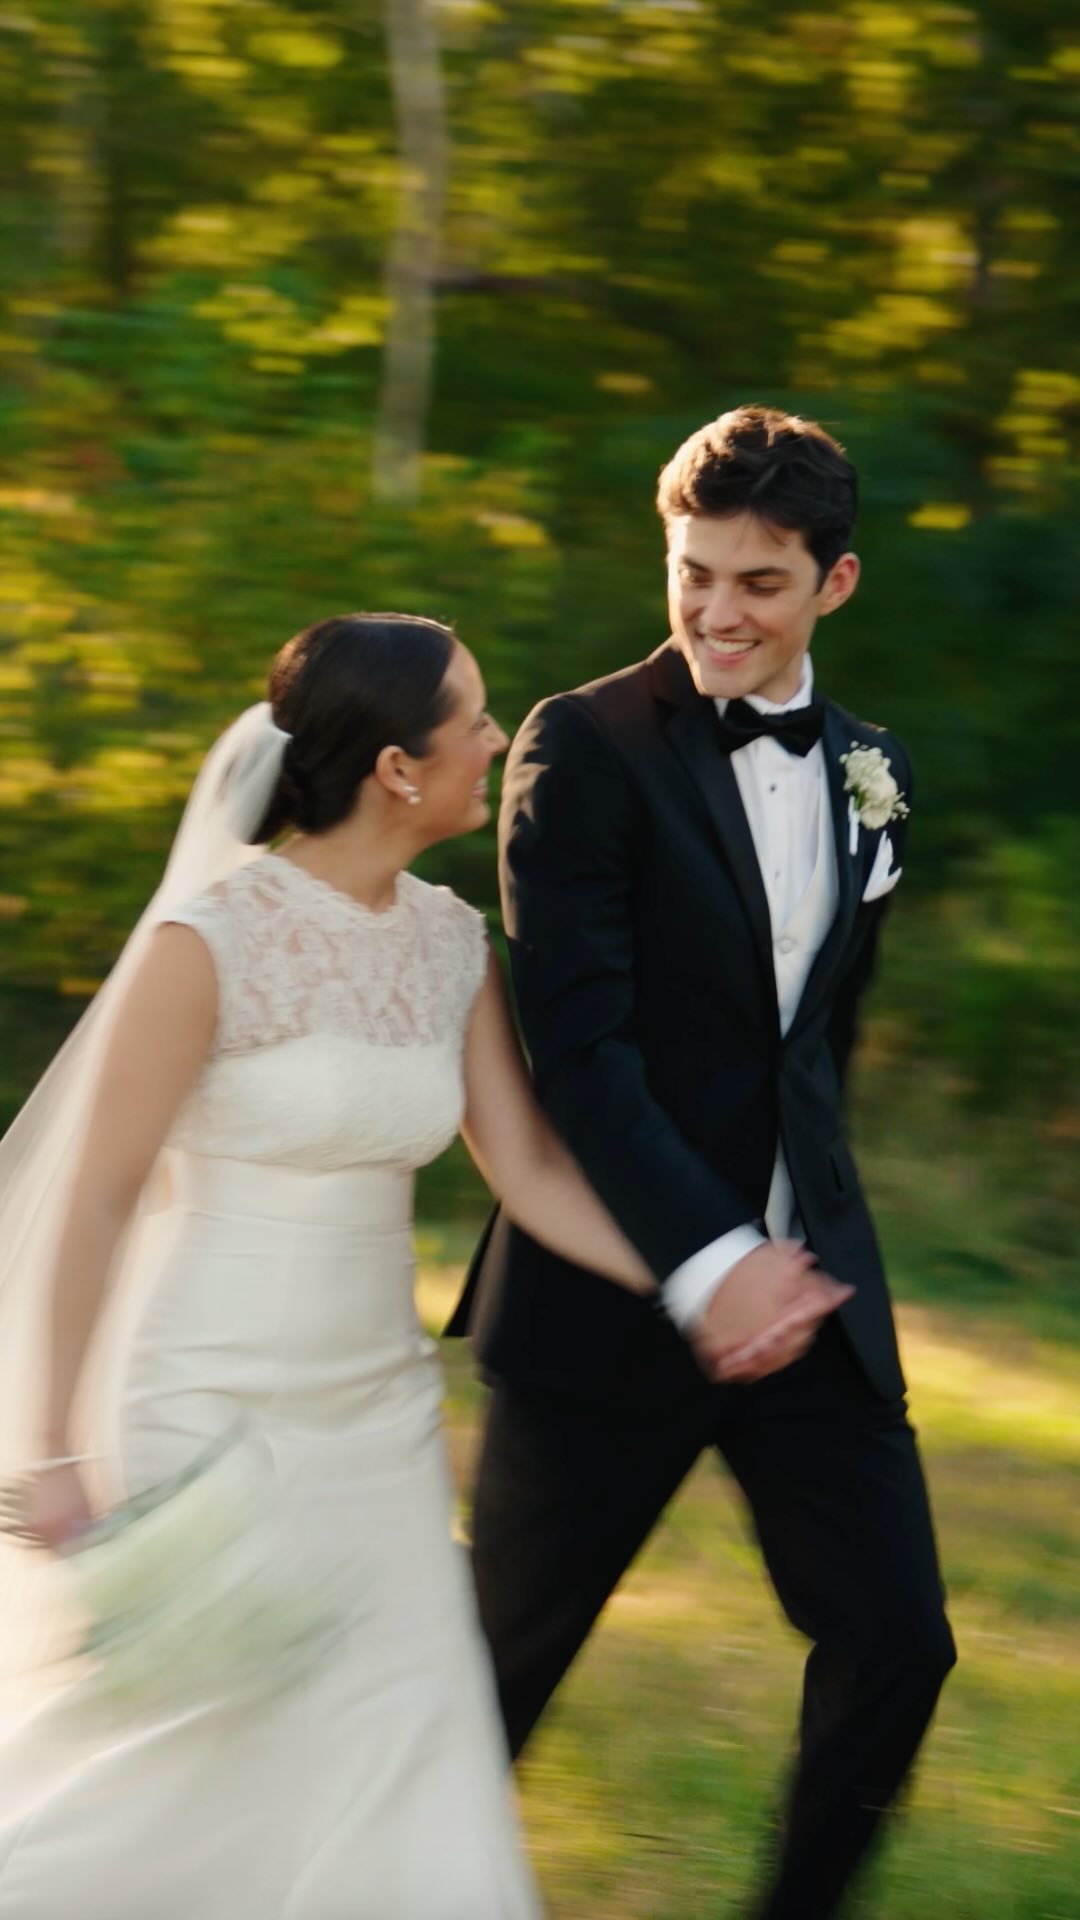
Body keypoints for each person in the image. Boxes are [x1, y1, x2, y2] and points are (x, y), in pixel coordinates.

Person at [0, 609, 783, 1920]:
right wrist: (55, 1451)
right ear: (397, 770)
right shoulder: (206, 943)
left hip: (380, 1424)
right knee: (183, 1776)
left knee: (408, 1749)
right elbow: (95, 1205)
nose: (498, 739)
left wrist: (699, 1280)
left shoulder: (450, 943)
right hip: (207, 1410)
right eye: (473, 720)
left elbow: (529, 1170)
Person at [450, 406, 957, 1919]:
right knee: (491, 1685)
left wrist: (792, 1258)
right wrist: (713, 1261)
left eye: (760, 582)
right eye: (694, 574)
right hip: (610, 1300)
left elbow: (814, 1049)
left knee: (900, 1642)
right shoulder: (583, 745)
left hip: (808, 1302)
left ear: (835, 583)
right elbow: (581, 1056)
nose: (718, 612)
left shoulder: (874, 767)